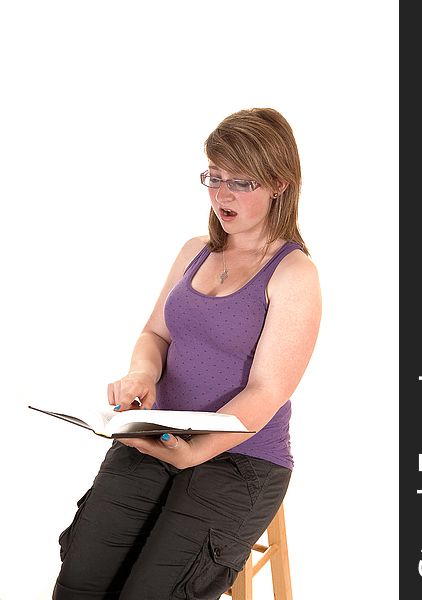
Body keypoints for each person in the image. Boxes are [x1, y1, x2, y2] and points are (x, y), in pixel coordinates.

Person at [53, 107, 322, 599]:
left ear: (279, 183)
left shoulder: (294, 274)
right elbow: (155, 335)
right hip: (161, 434)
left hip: (242, 458)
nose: (222, 195)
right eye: (213, 178)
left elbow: (266, 392)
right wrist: (140, 375)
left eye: (240, 182)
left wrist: (193, 452)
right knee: (79, 584)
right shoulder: (195, 250)